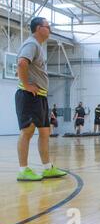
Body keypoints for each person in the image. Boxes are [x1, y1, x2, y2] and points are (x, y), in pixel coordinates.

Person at [15, 17, 66, 181]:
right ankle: (23, 170)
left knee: (45, 132)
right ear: (38, 28)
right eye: (47, 27)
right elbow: (22, 63)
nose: (50, 29)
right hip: (29, 95)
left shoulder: (38, 46)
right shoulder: (31, 44)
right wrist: (27, 85)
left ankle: (47, 168)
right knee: (27, 132)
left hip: (40, 97)